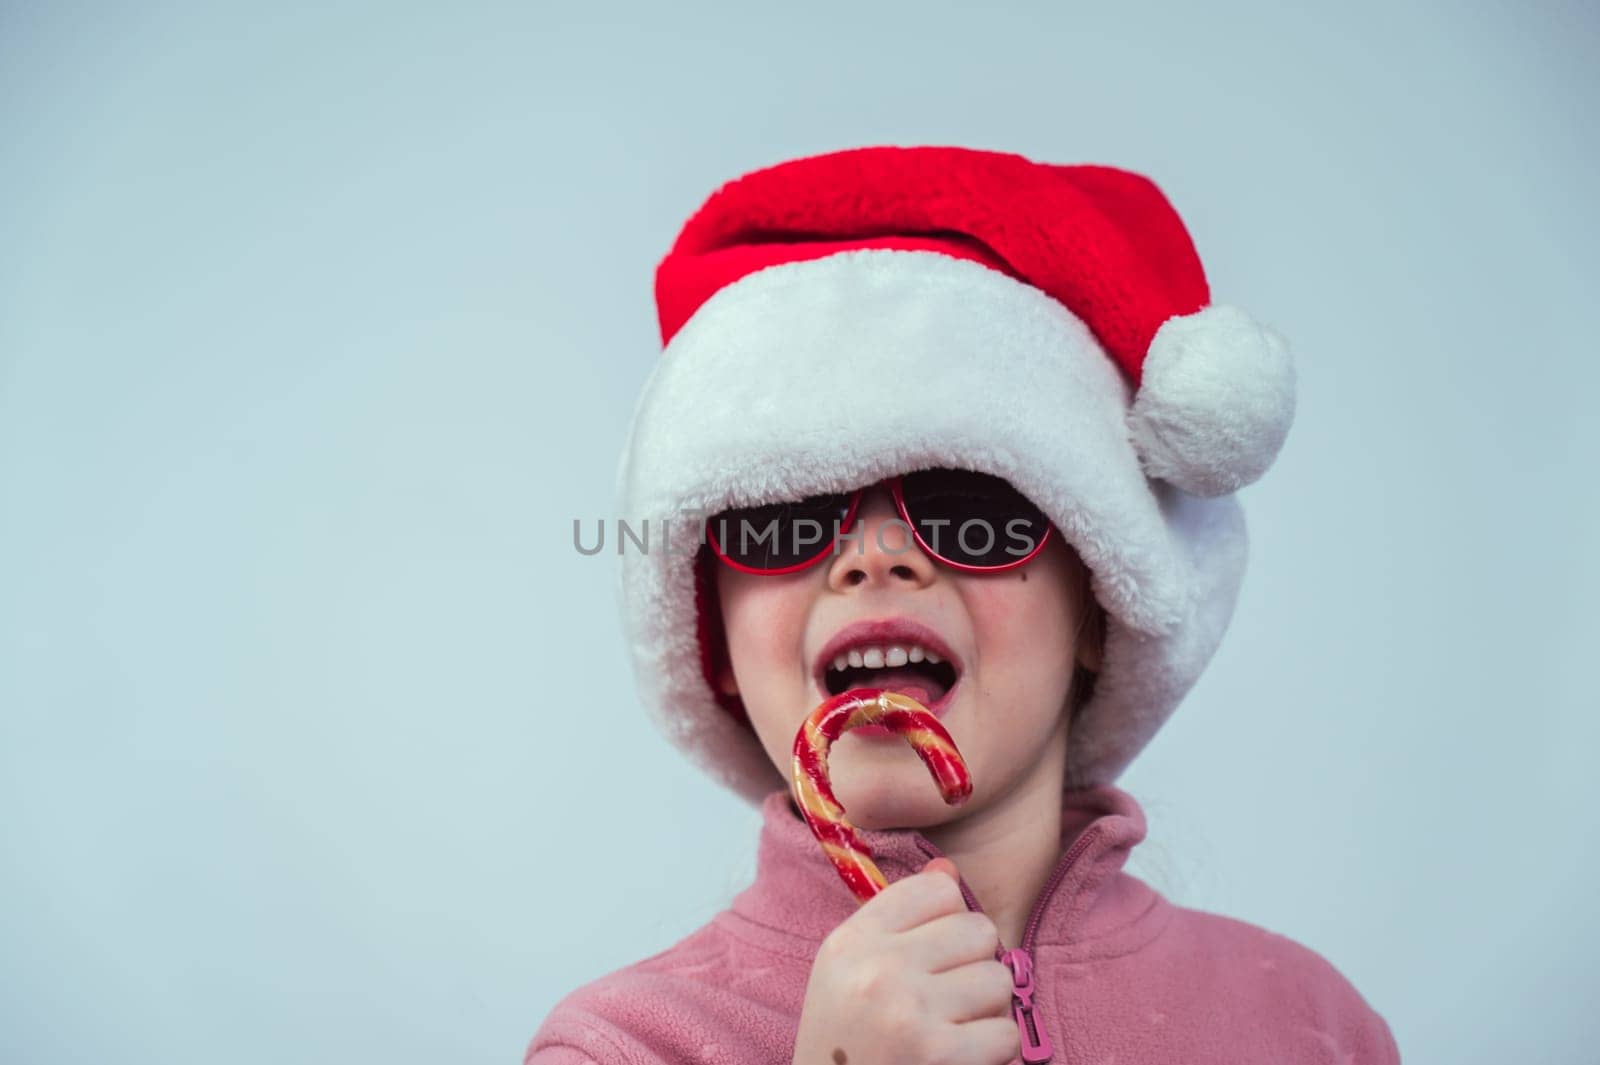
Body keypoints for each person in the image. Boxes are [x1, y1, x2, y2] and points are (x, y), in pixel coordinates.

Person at [526, 144, 1400, 1064]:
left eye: (968, 507)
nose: (872, 559)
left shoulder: (1309, 1028)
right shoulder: (622, 1046)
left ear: (1102, 601)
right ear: (715, 636)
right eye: (782, 519)